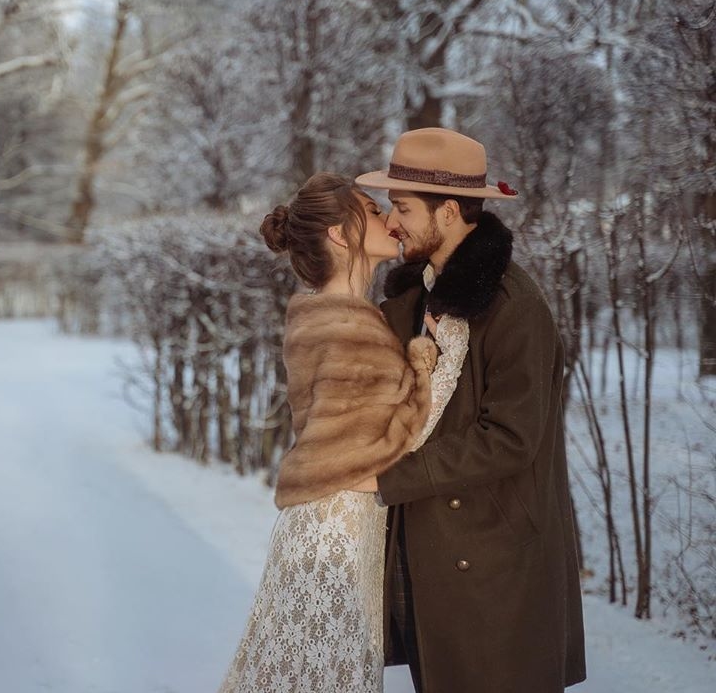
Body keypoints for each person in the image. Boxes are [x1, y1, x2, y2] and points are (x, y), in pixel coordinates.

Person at [354, 127, 587, 692]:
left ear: (451, 210)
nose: (391, 222)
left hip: (496, 568)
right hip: (436, 555)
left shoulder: (515, 307)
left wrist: (386, 476)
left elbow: (511, 437)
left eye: (402, 208)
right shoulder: (417, 298)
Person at [218, 172, 470, 693]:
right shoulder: (347, 322)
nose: (388, 220)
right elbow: (401, 435)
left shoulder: (325, 312)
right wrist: (438, 357)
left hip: (326, 521)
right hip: (334, 534)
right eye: (373, 211)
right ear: (339, 232)